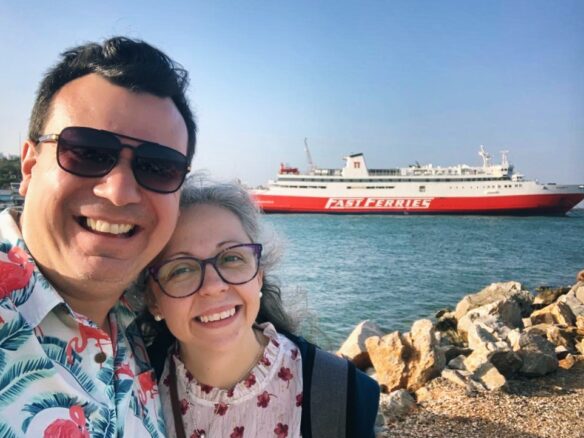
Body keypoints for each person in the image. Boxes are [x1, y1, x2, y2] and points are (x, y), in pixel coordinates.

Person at [0, 36, 196, 437]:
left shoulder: (151, 319)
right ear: (30, 166)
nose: (119, 191)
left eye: (159, 167)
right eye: (87, 151)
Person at [143, 180, 380, 438]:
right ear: (153, 299)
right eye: (181, 269)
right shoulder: (131, 391)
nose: (213, 286)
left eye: (232, 257)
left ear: (259, 274)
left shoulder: (343, 393)